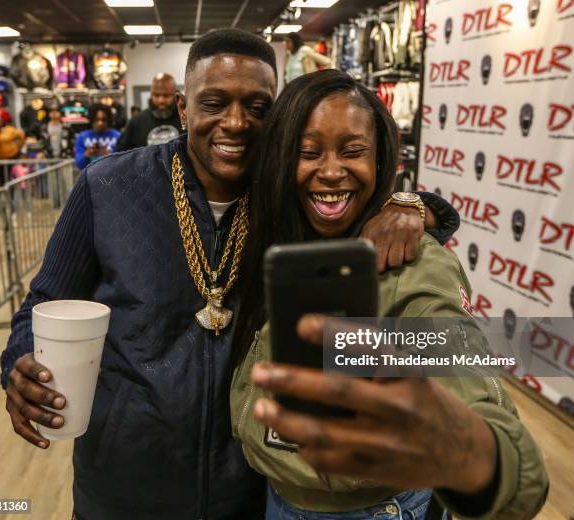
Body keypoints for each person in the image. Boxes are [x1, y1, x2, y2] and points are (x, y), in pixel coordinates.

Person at [0, 30, 459, 520]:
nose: (236, 123)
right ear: (182, 107)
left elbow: (349, 189)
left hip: (246, 487)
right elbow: (43, 302)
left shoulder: (291, 199)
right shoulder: (108, 186)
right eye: (214, 103)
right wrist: (19, 362)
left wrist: (411, 204)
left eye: (257, 107)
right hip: (123, 484)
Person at [230, 70, 549, 520]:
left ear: (380, 161)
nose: (332, 170)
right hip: (278, 498)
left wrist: (474, 455)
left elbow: (473, 383)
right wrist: (420, 204)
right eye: (308, 152)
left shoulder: (414, 265)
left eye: (353, 151)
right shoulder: (277, 241)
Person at [116, 73, 182, 150]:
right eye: (156, 95)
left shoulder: (185, 119)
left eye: (166, 95)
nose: (161, 100)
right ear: (151, 95)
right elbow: (122, 151)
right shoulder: (136, 121)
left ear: (175, 95)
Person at [74, 103, 121, 170]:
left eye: (103, 119)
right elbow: (78, 164)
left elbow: (124, 163)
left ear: (108, 119)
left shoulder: (118, 136)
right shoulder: (82, 137)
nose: (100, 123)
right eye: (96, 119)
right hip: (89, 178)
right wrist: (87, 154)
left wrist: (111, 156)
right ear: (92, 119)